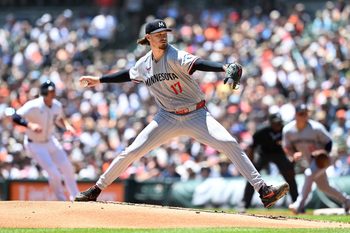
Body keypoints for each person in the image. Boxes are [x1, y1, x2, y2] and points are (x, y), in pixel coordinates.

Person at [74, 19, 289, 208]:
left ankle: (264, 191)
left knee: (229, 143)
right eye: (158, 35)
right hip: (166, 117)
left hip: (197, 115)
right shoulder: (144, 65)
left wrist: (224, 67)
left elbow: (199, 64)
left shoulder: (175, 55)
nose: (163, 38)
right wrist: (99, 80)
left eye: (165, 34)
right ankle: (96, 189)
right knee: (131, 151)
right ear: (148, 38)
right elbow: (127, 74)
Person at [11, 80, 79, 201]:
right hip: (35, 144)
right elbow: (15, 117)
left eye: (53, 91)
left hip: (50, 141)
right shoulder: (34, 105)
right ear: (44, 92)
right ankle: (61, 200)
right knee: (54, 173)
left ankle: (76, 196)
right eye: (50, 92)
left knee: (67, 167)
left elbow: (59, 118)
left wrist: (67, 126)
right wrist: (30, 125)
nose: (53, 94)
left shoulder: (56, 105)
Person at [282, 103, 350, 214]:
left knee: (309, 174)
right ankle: (346, 200)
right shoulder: (288, 130)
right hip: (311, 159)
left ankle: (299, 205)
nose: (304, 116)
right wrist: (293, 154)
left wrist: (323, 152)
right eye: (301, 114)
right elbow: (287, 147)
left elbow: (329, 142)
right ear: (296, 115)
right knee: (324, 187)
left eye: (306, 114)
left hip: (324, 158)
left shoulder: (315, 128)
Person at [239, 113, 298, 210]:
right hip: (263, 154)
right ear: (270, 123)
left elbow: (293, 145)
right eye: (275, 123)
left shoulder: (285, 130)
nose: (278, 126)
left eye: (279, 123)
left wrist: (292, 160)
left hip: (279, 154)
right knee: (252, 176)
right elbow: (252, 147)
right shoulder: (262, 131)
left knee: (290, 175)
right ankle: (245, 203)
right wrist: (250, 163)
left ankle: (297, 203)